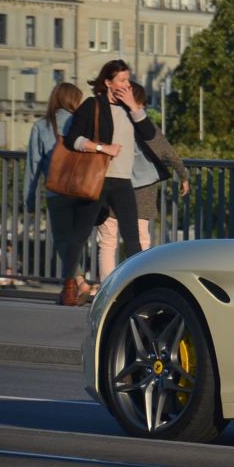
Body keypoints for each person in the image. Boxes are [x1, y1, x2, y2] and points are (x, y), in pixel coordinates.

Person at [58, 59, 154, 306]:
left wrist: (133, 105)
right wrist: (102, 147)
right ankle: (69, 285)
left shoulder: (130, 109)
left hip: (122, 181)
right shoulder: (93, 105)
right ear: (108, 82)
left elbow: (150, 135)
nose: (126, 85)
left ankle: (136, 290)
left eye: (128, 80)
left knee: (132, 237)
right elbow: (72, 139)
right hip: (97, 180)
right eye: (121, 80)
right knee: (80, 235)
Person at [96, 83, 190, 280]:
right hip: (142, 190)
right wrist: (182, 175)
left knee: (107, 240)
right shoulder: (143, 123)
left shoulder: (109, 122)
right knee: (140, 239)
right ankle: (137, 284)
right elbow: (166, 152)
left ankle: (105, 289)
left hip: (110, 183)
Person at [26, 81, 93, 298]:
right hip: (83, 188)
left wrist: (29, 197)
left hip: (56, 191)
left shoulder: (42, 126)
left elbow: (33, 165)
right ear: (74, 100)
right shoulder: (82, 123)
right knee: (77, 238)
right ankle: (77, 282)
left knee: (63, 239)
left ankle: (77, 282)